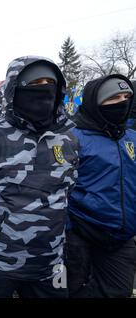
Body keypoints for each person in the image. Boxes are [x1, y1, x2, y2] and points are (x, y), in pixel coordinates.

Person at [0, 56, 79, 298]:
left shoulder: (69, 139)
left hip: (51, 263)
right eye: (34, 83)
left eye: (48, 82)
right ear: (14, 89)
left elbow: (67, 191)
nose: (43, 89)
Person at [67, 74, 136, 298]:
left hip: (121, 238)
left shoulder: (132, 138)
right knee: (70, 290)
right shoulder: (72, 138)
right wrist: (69, 229)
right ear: (96, 102)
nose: (122, 102)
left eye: (127, 97)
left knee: (118, 291)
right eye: (114, 98)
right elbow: (55, 188)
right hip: (80, 234)